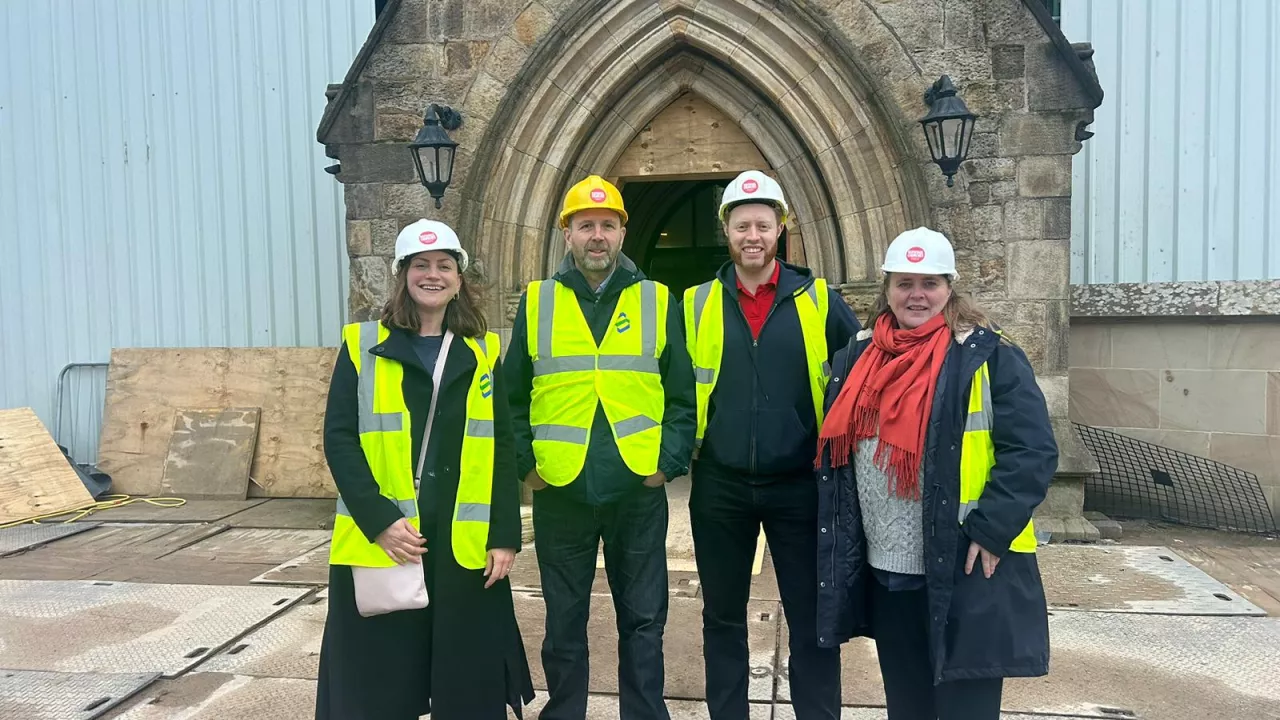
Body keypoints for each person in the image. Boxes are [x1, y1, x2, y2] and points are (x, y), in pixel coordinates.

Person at [814, 227, 1057, 720]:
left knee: (964, 705)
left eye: (930, 283)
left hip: (962, 563)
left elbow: (1031, 450)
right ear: (886, 289)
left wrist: (992, 530)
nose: (917, 295)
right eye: (905, 283)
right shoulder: (857, 356)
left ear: (951, 288)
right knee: (907, 704)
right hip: (887, 567)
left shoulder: (988, 356)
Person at [316, 219, 535, 720]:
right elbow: (340, 440)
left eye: (443, 266)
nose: (432, 275)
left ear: (459, 278)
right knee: (381, 673)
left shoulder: (483, 354)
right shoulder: (361, 346)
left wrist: (504, 534)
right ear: (403, 275)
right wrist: (379, 521)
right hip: (389, 535)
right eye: (421, 265)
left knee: (464, 672)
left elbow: (501, 449)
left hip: (463, 536)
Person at [504, 175, 697, 720]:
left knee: (644, 618)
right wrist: (527, 465)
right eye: (585, 225)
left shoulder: (657, 300)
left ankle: (644, 714)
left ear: (622, 234)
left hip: (637, 486)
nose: (597, 236)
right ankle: (564, 712)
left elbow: (683, 394)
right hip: (561, 487)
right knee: (564, 619)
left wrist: (669, 463)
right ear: (567, 234)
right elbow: (513, 396)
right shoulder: (538, 302)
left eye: (607, 225)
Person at [682, 170, 859, 720]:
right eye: (741, 226)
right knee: (723, 618)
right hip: (720, 485)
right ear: (726, 232)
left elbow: (861, 376)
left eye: (763, 224)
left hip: (799, 485)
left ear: (781, 228)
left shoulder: (820, 300)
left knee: (810, 618)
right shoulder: (694, 303)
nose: (752, 235)